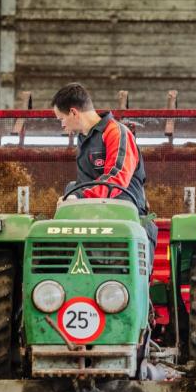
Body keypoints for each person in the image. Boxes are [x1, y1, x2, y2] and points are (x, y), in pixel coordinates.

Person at [51, 82, 158, 261]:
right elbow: (85, 183)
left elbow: (117, 177)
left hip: (125, 219)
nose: (61, 124)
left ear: (73, 112)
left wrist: (79, 197)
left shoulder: (116, 132)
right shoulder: (84, 139)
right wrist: (71, 196)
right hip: (93, 219)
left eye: (61, 118)